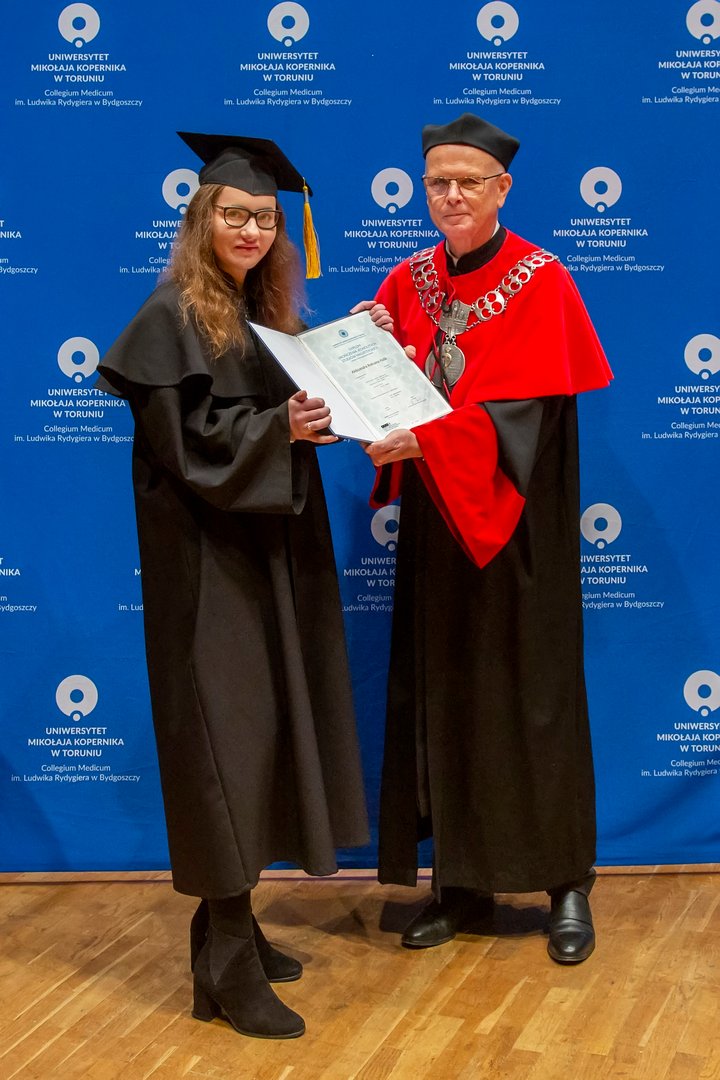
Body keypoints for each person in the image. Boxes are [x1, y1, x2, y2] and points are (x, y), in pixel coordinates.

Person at [97, 131, 371, 1039]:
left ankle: (231, 933)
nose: (252, 230)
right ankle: (224, 958)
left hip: (262, 556)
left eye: (264, 218)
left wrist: (324, 407)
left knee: (260, 738)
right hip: (207, 571)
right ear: (200, 218)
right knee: (224, 745)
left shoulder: (258, 312)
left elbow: (264, 417)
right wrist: (275, 432)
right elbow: (187, 450)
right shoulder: (170, 316)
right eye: (234, 214)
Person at [362, 113, 612, 964]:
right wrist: (365, 350)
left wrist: (428, 438)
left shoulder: (543, 280)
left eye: (469, 181)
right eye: (438, 182)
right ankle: (460, 885)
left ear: (503, 188)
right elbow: (390, 387)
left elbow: (525, 419)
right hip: (440, 527)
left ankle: (566, 883)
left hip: (520, 530)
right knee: (447, 696)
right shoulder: (409, 279)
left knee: (534, 699)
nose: (452, 195)